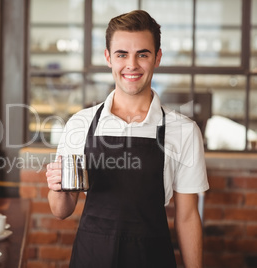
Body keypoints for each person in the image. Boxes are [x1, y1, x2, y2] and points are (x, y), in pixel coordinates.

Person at [46, 10, 209, 268]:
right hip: (92, 257)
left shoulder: (184, 131)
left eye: (142, 54)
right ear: (108, 58)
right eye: (122, 54)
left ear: (157, 58)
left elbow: (188, 217)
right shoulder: (80, 123)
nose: (131, 65)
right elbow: (61, 210)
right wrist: (58, 188)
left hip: (152, 258)